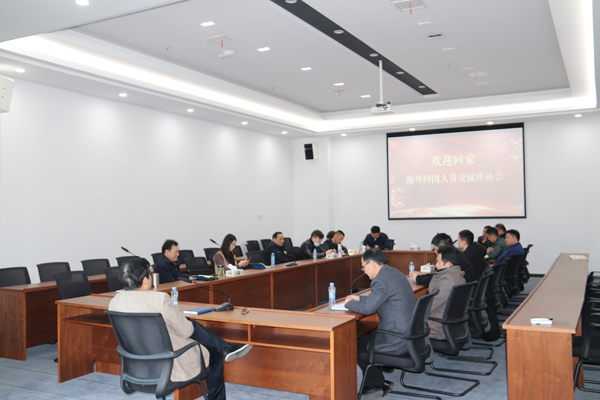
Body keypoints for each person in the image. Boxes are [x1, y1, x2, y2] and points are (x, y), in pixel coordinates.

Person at [108, 258, 252, 400]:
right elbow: (185, 331)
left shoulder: (115, 302)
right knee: (212, 353)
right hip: (170, 363)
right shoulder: (159, 299)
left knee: (190, 325)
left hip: (137, 367)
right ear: (145, 280)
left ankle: (225, 347)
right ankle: (224, 350)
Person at [344, 249, 415, 398]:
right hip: (408, 333)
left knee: (353, 345)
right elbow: (381, 299)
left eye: (363, 267)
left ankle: (374, 385)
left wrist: (348, 304)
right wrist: (360, 298)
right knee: (365, 338)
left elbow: (368, 309)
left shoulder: (380, 280)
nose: (363, 271)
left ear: (371, 264)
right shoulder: (394, 273)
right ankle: (378, 380)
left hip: (396, 337)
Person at [457, 229, 500, 341]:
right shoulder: (476, 252)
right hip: (482, 291)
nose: (457, 242)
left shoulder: (468, 257)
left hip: (474, 291)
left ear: (464, 242)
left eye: (458, 240)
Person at [427, 245, 466, 340]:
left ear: (448, 264)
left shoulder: (447, 280)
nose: (436, 265)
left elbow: (430, 307)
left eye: (438, 262)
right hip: (451, 326)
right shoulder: (458, 275)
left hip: (437, 327)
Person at [411, 233, 476, 284]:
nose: (435, 252)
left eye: (436, 249)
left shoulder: (450, 258)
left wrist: (418, 278)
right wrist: (423, 275)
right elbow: (438, 274)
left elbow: (438, 278)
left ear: (443, 248)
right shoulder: (457, 254)